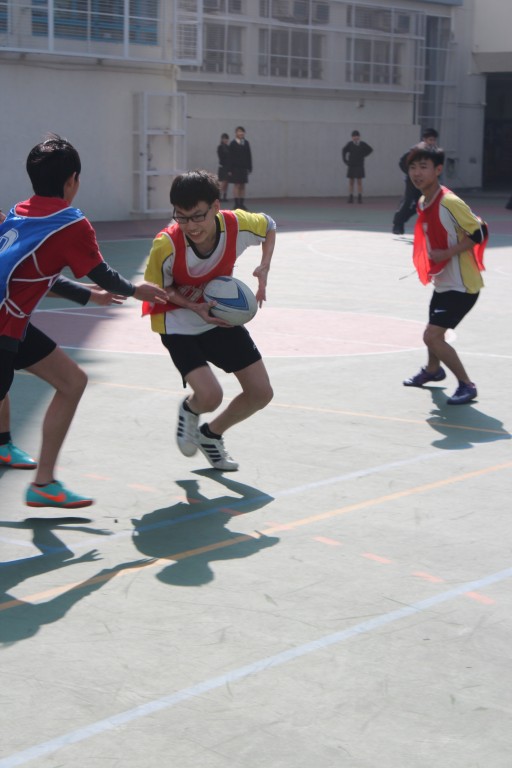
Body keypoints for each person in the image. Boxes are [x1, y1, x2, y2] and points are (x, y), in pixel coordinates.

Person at [0, 133, 168, 508]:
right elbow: (103, 273)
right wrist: (136, 289)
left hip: (12, 325)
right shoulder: (70, 223)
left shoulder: (19, 212)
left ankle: (43, 483)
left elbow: (34, 276)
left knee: (72, 380)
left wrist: (89, 296)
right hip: (4, 330)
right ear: (72, 180)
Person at [143, 169, 276, 471]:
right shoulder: (166, 245)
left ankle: (211, 435)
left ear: (215, 207)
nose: (191, 226)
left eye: (198, 216)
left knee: (261, 393)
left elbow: (269, 225)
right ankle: (191, 409)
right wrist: (192, 305)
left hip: (216, 315)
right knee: (210, 396)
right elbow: (156, 290)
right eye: (182, 217)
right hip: (177, 322)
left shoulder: (236, 225)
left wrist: (265, 265)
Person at [0, 276, 126, 470]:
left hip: (12, 321)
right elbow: (34, 277)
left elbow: (34, 279)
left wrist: (89, 290)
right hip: (6, 322)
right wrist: (92, 293)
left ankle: (8, 450)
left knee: (73, 380)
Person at [403, 145, 488, 405]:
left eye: (423, 167)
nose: (417, 173)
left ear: (438, 169)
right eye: (413, 167)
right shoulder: (423, 202)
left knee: (432, 336)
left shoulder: (449, 202)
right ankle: (433, 370)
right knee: (433, 332)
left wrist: (447, 253)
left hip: (462, 286)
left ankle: (467, 385)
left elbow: (479, 232)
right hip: (443, 283)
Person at [392, 127, 439, 234]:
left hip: (425, 181)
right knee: (408, 201)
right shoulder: (416, 150)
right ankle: (397, 224)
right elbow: (402, 162)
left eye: (434, 140)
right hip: (412, 181)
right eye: (430, 140)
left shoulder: (434, 151)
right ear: (424, 139)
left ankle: (400, 221)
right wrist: (411, 174)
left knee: (420, 204)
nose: (432, 142)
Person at [341, 130, 373, 203]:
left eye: (356, 136)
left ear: (359, 137)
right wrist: (345, 160)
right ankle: (351, 196)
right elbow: (343, 150)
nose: (355, 137)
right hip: (351, 165)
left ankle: (359, 197)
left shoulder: (362, 144)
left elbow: (370, 149)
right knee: (351, 182)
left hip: (359, 165)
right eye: (354, 136)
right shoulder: (349, 144)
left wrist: (363, 155)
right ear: (352, 137)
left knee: (359, 182)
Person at [228, 126, 252, 211]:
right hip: (235, 168)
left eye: (242, 132)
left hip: (244, 168)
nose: (241, 133)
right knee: (237, 185)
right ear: (236, 133)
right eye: (239, 131)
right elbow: (230, 157)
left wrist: (249, 167)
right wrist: (229, 169)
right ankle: (236, 204)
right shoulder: (232, 143)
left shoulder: (246, 143)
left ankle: (241, 204)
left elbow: (249, 155)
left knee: (243, 185)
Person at [217, 133, 231, 202]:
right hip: (222, 166)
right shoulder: (220, 147)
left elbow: (231, 157)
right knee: (222, 182)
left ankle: (225, 196)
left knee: (227, 182)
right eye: (224, 138)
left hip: (228, 167)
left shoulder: (229, 147)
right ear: (222, 139)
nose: (225, 140)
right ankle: (219, 196)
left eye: (226, 139)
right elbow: (221, 157)